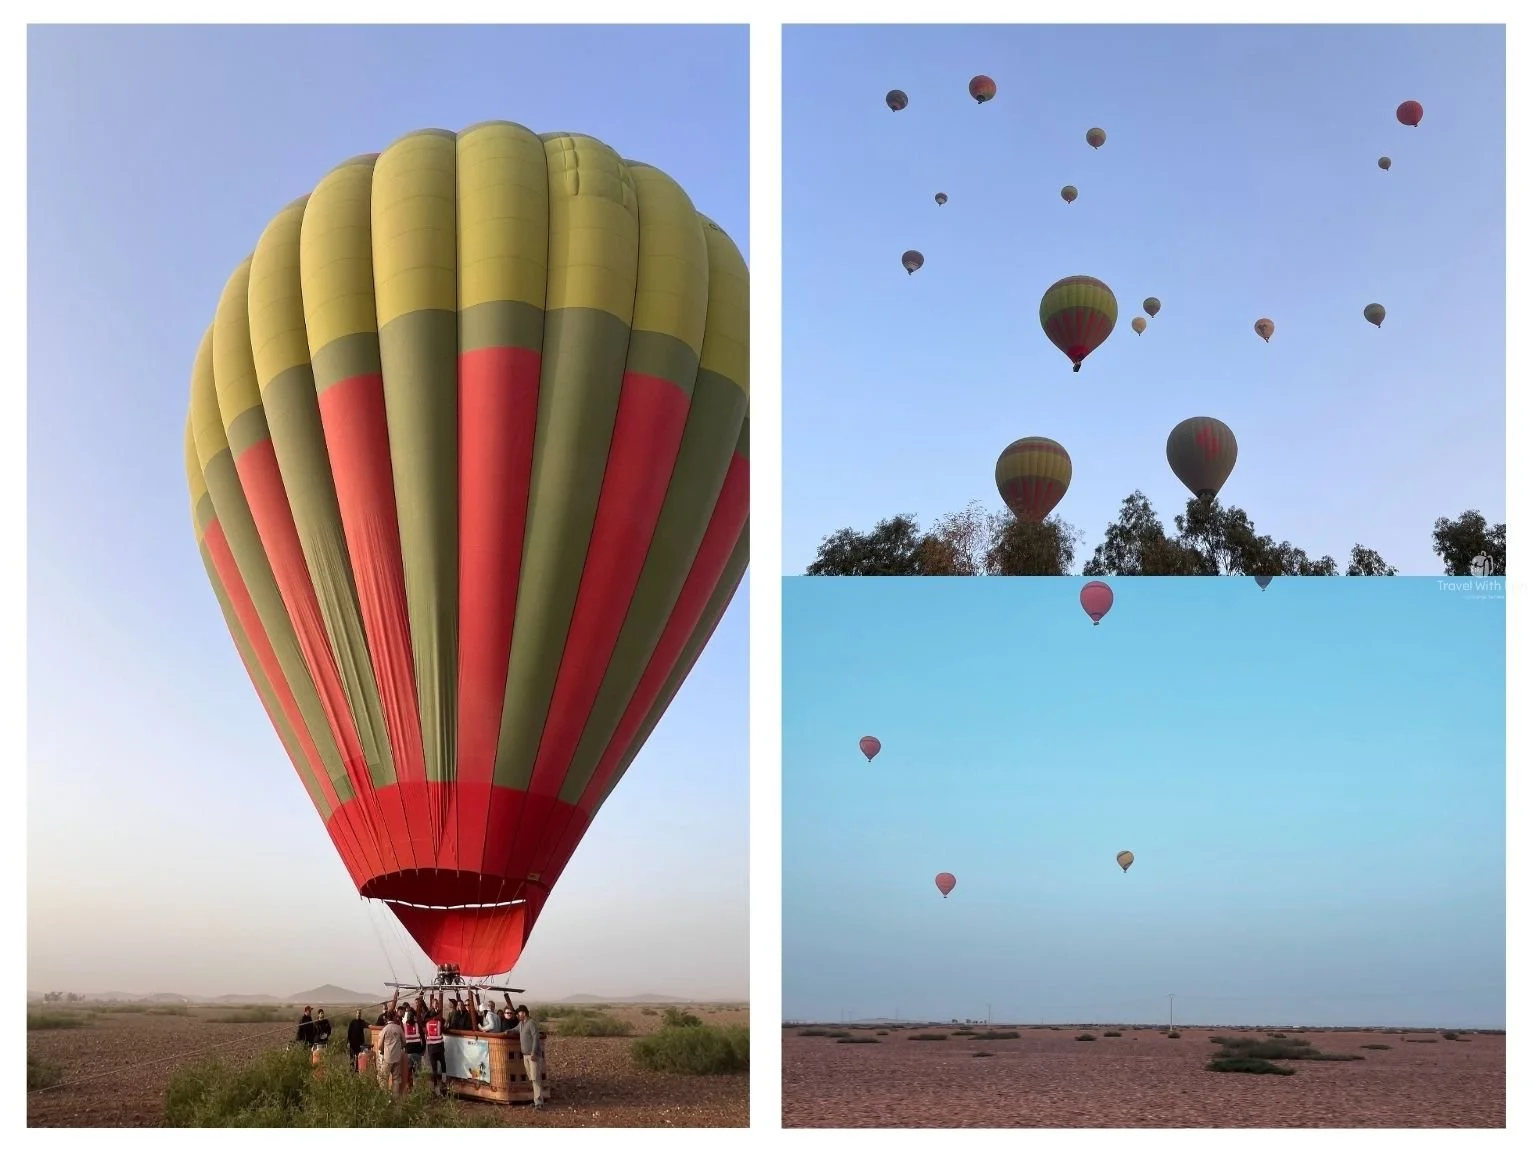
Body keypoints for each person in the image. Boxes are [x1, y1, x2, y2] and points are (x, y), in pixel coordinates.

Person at [515, 1004, 545, 1109]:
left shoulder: (531, 1023)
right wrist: (506, 1031)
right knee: (532, 1078)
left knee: (535, 1078)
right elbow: (514, 1029)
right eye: (518, 1012)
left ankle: (539, 1102)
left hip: (533, 1055)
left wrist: (533, 1052)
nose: (519, 1014)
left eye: (520, 1012)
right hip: (525, 1055)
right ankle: (536, 1100)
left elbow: (536, 1037)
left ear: (525, 1013)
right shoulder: (521, 1024)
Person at [378, 1011, 407, 1096]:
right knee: (396, 1079)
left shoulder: (385, 1029)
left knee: (383, 1078)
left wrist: (383, 1049)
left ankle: (385, 1097)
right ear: (394, 1017)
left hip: (387, 1057)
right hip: (397, 1057)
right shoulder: (398, 1028)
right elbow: (404, 1042)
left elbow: (379, 1045)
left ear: (387, 1018)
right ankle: (395, 1099)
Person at [424, 1002, 448, 1095]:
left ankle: (436, 1090)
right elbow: (444, 1027)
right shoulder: (439, 1023)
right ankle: (444, 1081)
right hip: (439, 1047)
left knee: (434, 1069)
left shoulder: (427, 1024)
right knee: (443, 1063)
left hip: (431, 1048)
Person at [402, 1008, 424, 1090]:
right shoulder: (417, 1025)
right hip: (417, 1053)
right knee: (417, 1074)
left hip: (409, 1053)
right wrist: (422, 1050)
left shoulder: (404, 1026)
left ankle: (408, 1089)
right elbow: (423, 1039)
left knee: (408, 1073)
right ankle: (416, 1090)